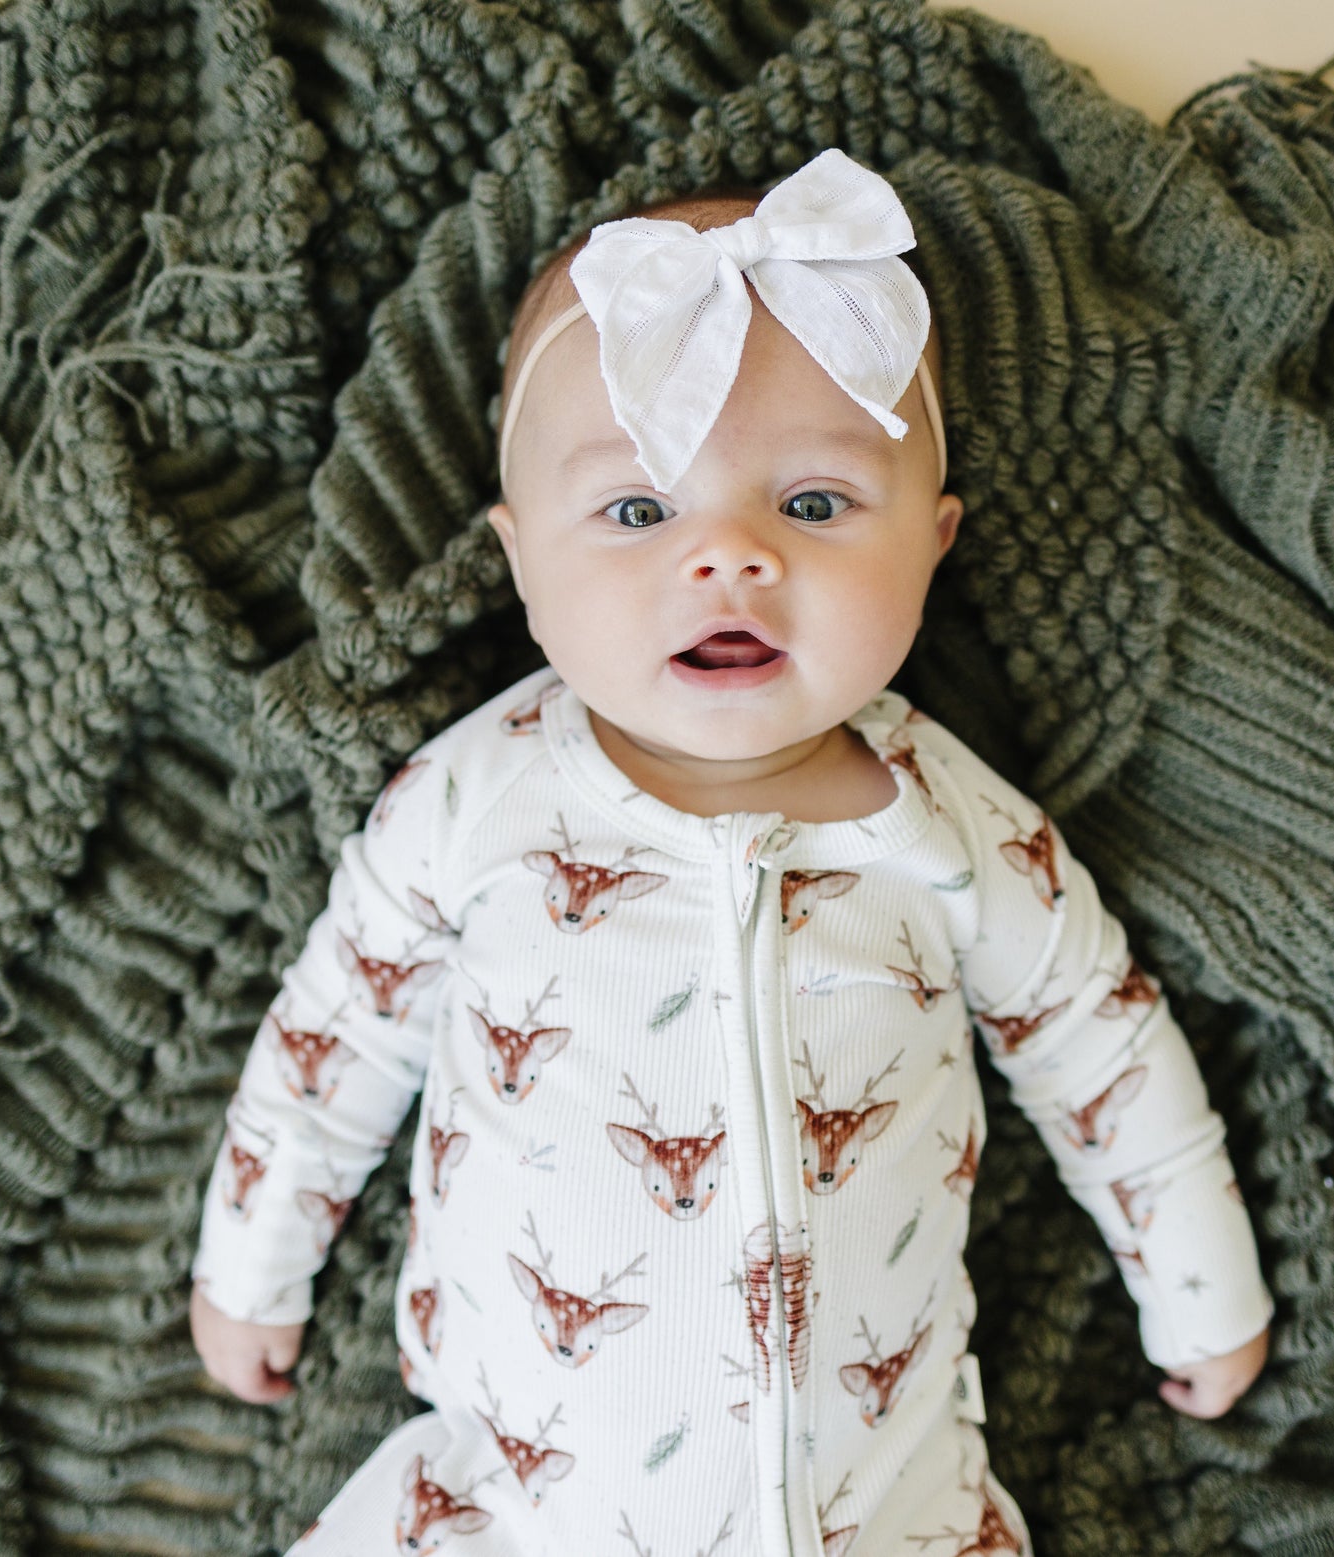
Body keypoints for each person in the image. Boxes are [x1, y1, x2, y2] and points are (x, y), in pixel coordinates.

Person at [188, 148, 1274, 1557]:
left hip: (889, 1510)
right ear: (520, 561)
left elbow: (1101, 1046)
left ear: (932, 542)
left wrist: (1202, 1294)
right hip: (514, 1503)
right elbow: (330, 1036)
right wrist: (251, 1267)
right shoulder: (472, 801)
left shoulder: (956, 827)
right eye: (639, 511)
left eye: (813, 504)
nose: (729, 558)